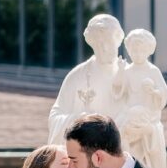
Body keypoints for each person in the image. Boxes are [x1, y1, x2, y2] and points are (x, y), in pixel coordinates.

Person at [48, 14, 127, 146]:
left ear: (118, 40)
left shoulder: (128, 74)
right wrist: (79, 119)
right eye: (99, 44)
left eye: (109, 42)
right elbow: (55, 117)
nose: (105, 48)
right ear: (92, 44)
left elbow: (147, 116)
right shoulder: (77, 76)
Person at [113, 28, 167, 168]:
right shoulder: (127, 71)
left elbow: (163, 94)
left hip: (147, 118)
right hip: (129, 117)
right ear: (129, 51)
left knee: (148, 158)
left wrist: (153, 92)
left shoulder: (153, 71)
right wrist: (119, 70)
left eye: (141, 51)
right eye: (134, 51)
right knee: (119, 137)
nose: (137, 54)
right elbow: (118, 90)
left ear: (148, 51)